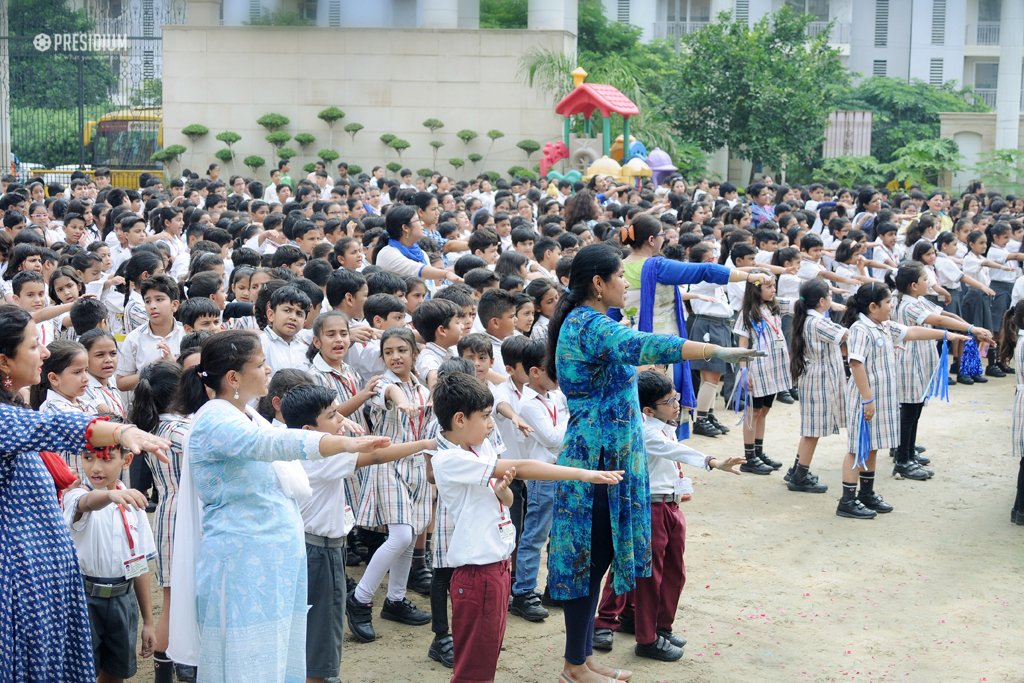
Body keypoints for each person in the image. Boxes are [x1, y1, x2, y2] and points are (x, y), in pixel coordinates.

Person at [544, 244, 761, 682]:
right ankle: (574, 666)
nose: (628, 282)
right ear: (598, 284)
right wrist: (710, 352)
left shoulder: (594, 321)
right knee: (590, 561)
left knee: (598, 559)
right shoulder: (587, 324)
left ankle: (582, 659)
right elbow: (641, 344)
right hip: (598, 456)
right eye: (621, 276)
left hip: (610, 452)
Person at [166, 330, 389, 681]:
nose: (268, 369)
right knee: (247, 663)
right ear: (234, 377)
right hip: (242, 566)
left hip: (271, 564)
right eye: (260, 363)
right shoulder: (216, 420)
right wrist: (344, 444)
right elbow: (274, 443)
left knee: (277, 658)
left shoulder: (245, 415)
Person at [0, 303, 170, 683]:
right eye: (32, 345)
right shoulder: (5, 418)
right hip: (20, 586)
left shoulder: (14, 408)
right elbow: (52, 427)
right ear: (4, 362)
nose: (43, 351)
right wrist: (121, 432)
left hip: (44, 582)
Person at [427, 372, 624, 683]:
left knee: (485, 658)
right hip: (478, 572)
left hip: (497, 566)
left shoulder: (479, 449)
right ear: (460, 419)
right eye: (486, 417)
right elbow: (522, 468)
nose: (491, 424)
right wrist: (582, 474)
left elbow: (503, 499)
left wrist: (502, 490)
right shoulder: (449, 459)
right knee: (473, 670)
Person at [620, 215, 761, 439]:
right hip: (663, 346)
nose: (663, 240)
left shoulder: (620, 266)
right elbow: (704, 271)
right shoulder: (656, 266)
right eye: (661, 236)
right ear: (651, 240)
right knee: (662, 412)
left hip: (628, 343)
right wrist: (749, 276)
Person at [838, 284, 969, 520]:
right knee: (857, 447)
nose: (891, 307)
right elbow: (855, 364)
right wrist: (867, 399)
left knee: (873, 445)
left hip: (881, 397)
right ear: (873, 307)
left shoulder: (884, 326)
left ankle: (866, 493)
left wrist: (949, 335)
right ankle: (847, 500)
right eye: (888, 303)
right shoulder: (860, 329)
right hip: (865, 398)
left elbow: (913, 332)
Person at [63, 416, 158, 683]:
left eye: (106, 459)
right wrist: (109, 495)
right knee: (81, 672)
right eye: (88, 457)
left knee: (116, 673)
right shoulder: (75, 496)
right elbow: (87, 503)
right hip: (84, 600)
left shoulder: (132, 502)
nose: (95, 467)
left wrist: (148, 622)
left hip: (122, 599)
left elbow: (139, 565)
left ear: (125, 461)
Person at [887, 263, 992, 481]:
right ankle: (902, 460)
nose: (930, 282)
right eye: (926, 279)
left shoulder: (915, 299)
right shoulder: (908, 305)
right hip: (909, 360)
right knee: (909, 410)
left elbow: (942, 312)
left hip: (920, 358)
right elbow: (938, 320)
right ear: (914, 285)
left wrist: (970, 326)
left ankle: (907, 452)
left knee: (915, 408)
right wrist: (972, 329)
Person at [786, 279, 847, 493]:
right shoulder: (819, 322)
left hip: (814, 376)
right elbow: (847, 335)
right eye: (829, 295)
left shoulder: (811, 318)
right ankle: (800, 476)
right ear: (822, 301)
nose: (831, 299)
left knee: (811, 428)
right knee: (813, 430)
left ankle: (797, 469)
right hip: (819, 379)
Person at [732, 272, 791, 475]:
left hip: (773, 369)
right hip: (758, 369)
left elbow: (798, 301)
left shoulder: (774, 308)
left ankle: (758, 450)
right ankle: (749, 457)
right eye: (769, 287)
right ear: (757, 289)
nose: (773, 290)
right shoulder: (748, 314)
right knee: (753, 412)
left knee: (764, 410)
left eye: (774, 286)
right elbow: (742, 345)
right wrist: (744, 370)